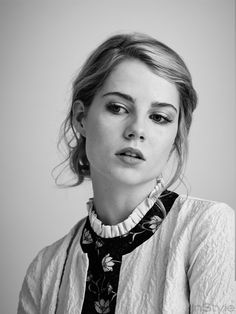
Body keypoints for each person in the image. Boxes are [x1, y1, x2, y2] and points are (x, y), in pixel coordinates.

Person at [17, 33, 235, 314]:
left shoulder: (209, 229)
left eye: (159, 117)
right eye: (118, 108)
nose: (137, 130)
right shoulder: (45, 270)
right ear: (81, 118)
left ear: (176, 136)